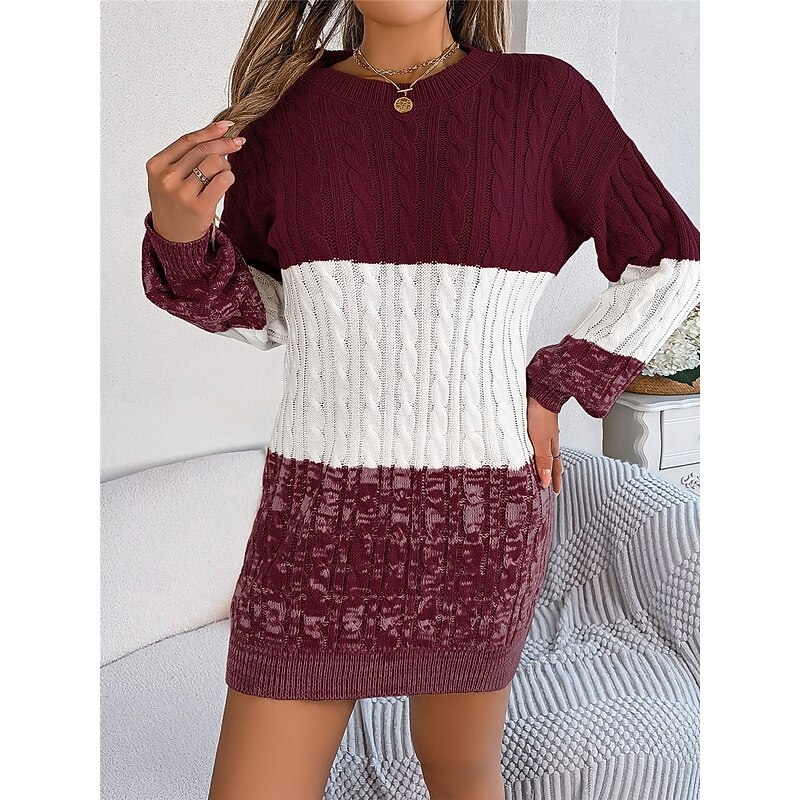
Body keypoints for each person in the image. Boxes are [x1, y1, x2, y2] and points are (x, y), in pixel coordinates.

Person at [140, 1, 700, 798]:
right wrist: (181, 240)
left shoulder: (545, 99)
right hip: (315, 521)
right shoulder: (284, 113)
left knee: (460, 771)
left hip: (479, 520)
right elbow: (274, 310)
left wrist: (556, 383)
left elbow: (670, 258)